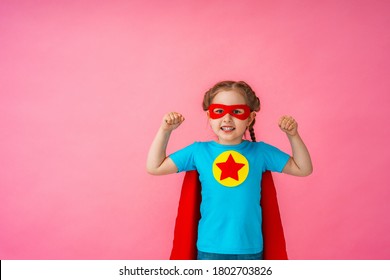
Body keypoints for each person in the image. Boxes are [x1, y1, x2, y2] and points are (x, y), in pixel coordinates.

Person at [146, 80, 313, 260]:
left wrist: (293, 135)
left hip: (250, 248)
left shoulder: (261, 152)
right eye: (219, 111)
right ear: (209, 117)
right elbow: (155, 167)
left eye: (237, 112)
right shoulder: (198, 151)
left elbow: (303, 168)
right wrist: (165, 130)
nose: (227, 119)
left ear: (250, 118)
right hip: (210, 247)